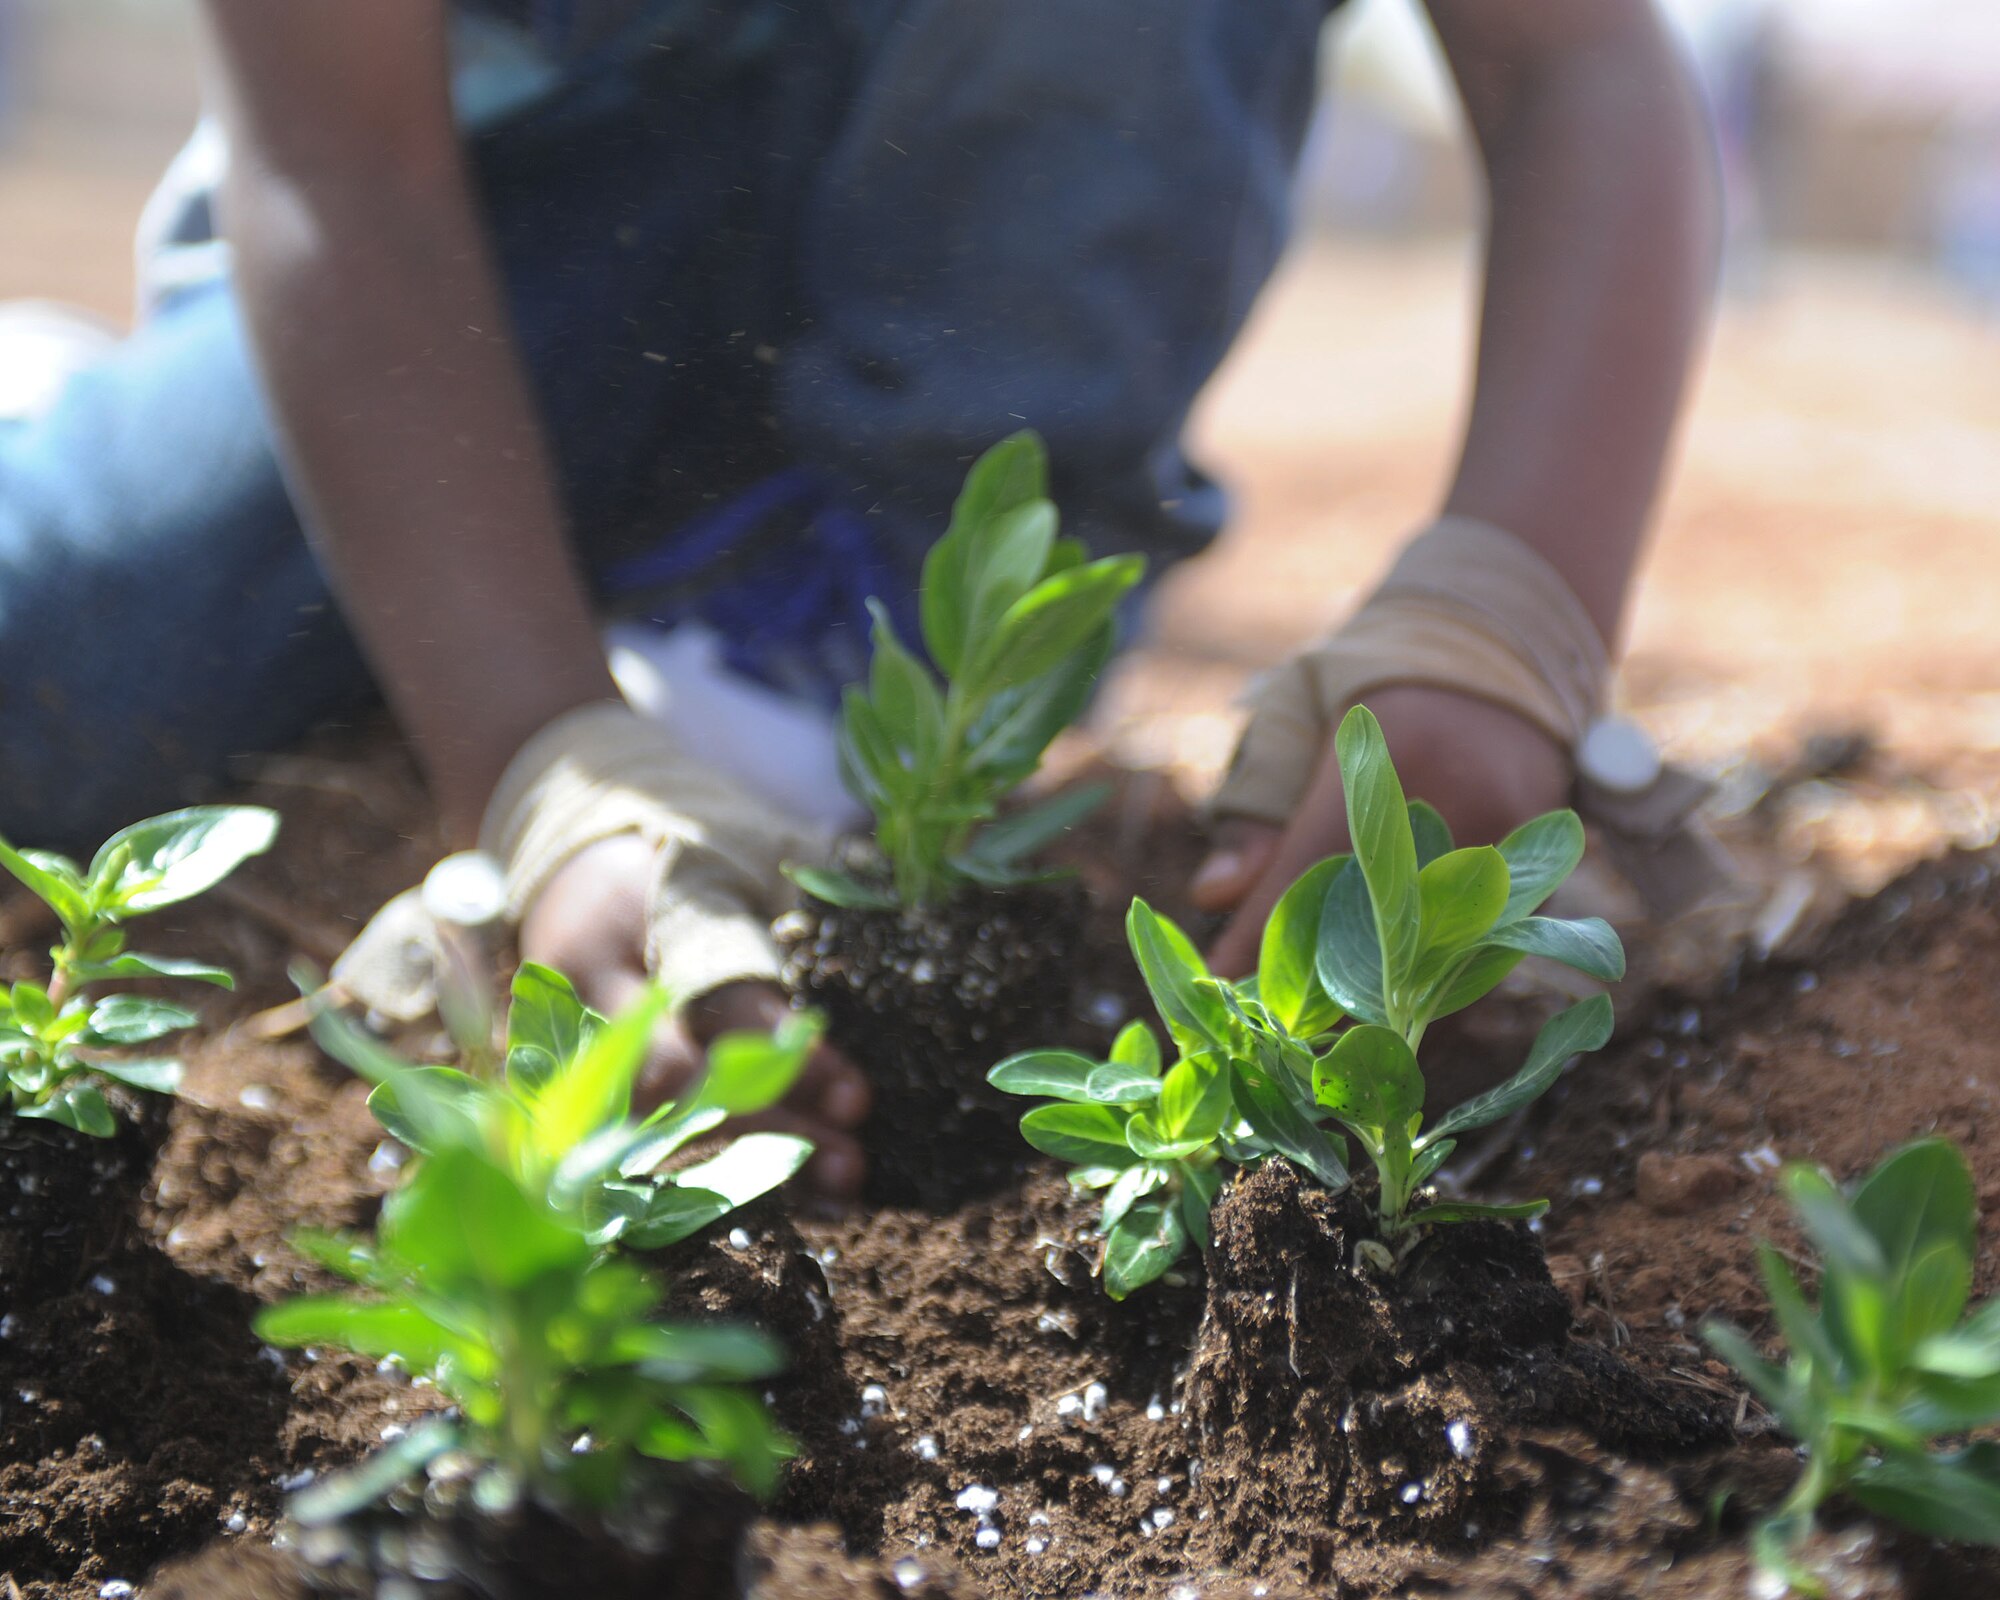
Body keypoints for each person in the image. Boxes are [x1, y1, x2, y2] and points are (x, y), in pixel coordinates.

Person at [0, 0, 1718, 1200]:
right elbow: (341, 164)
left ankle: (812, 638)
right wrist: (537, 760)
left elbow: (1575, 56)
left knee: (843, 757)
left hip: (984, 308)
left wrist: (1503, 617)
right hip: (477, 247)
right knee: (70, 676)